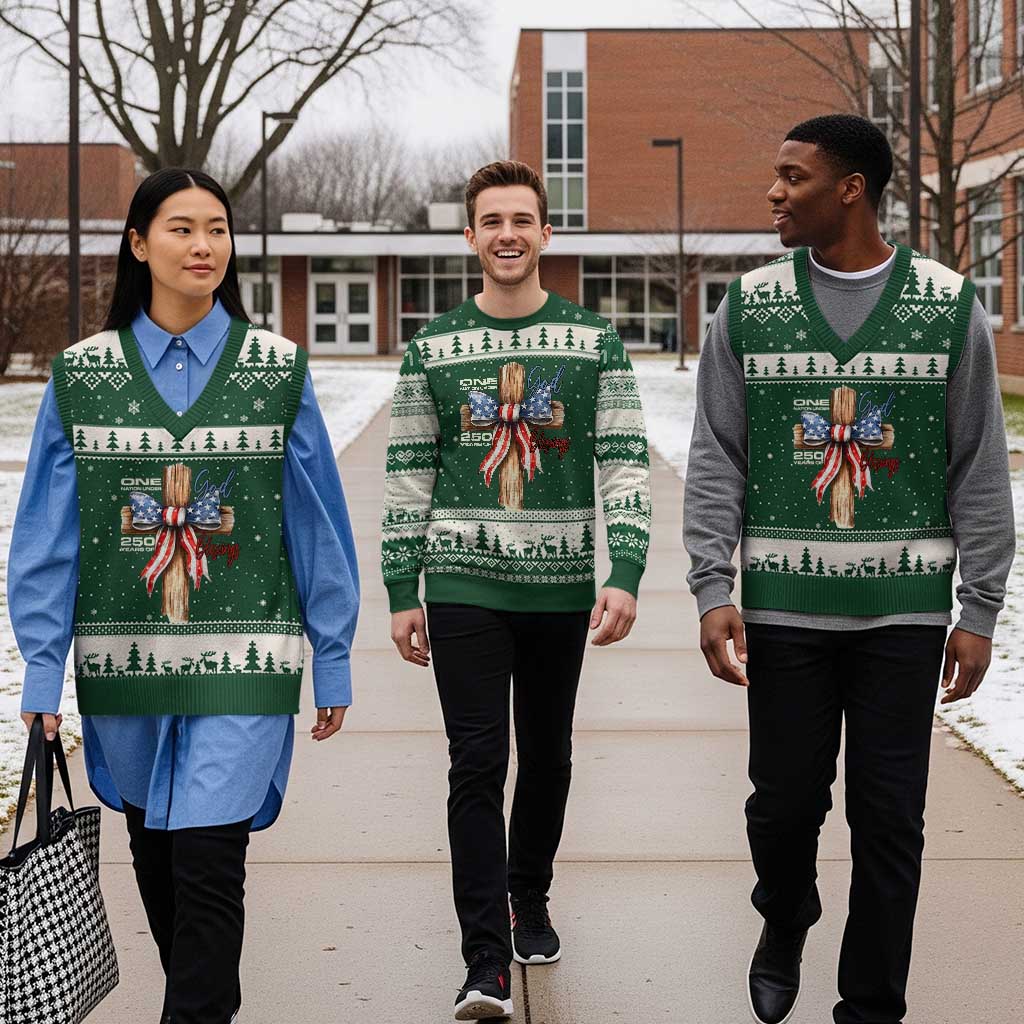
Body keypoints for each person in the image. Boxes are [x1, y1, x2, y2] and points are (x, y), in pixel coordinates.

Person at [684, 113, 1015, 1024]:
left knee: (889, 823)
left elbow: (977, 463)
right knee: (782, 809)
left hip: (904, 617)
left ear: (852, 189)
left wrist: (980, 608)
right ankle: (784, 914)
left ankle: (871, 1005)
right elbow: (718, 453)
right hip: (785, 612)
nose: (774, 192)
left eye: (793, 176)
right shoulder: (749, 305)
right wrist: (713, 586)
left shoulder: (946, 305)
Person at [12, 168, 359, 1024]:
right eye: (180, 228)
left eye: (216, 229)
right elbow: (46, 539)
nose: (203, 246)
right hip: (123, 663)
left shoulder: (276, 371)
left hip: (244, 661)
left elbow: (315, 522)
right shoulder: (81, 376)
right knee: (159, 861)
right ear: (138, 244)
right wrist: (40, 675)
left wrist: (334, 654)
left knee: (210, 864)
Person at [381, 160, 652, 1021]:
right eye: (491, 220)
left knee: (549, 753)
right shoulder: (432, 348)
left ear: (546, 233)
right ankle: (484, 961)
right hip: (462, 579)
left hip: (561, 588)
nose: (507, 234)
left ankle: (527, 895)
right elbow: (407, 474)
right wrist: (401, 586)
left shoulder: (592, 341)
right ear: (469, 236)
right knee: (477, 761)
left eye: (522, 220)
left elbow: (623, 460)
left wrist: (627, 569)